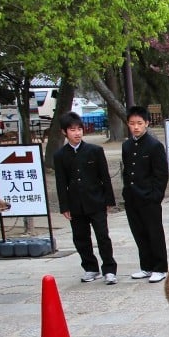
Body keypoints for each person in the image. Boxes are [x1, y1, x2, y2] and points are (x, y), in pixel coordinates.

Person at [53, 112, 118, 285]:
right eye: (72, 130)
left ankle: (109, 269)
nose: (77, 133)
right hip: (75, 204)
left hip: (96, 201)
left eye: (79, 129)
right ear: (64, 132)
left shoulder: (94, 151)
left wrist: (108, 200)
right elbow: (61, 183)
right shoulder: (60, 156)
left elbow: (104, 177)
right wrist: (64, 206)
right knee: (80, 238)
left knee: (103, 236)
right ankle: (90, 268)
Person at [121, 105, 169, 283]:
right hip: (132, 197)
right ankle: (146, 266)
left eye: (139, 123)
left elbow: (161, 174)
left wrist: (156, 196)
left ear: (147, 124)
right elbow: (127, 171)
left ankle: (160, 267)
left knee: (154, 232)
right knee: (139, 232)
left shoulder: (154, 145)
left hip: (149, 197)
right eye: (132, 123)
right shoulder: (126, 145)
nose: (136, 127)